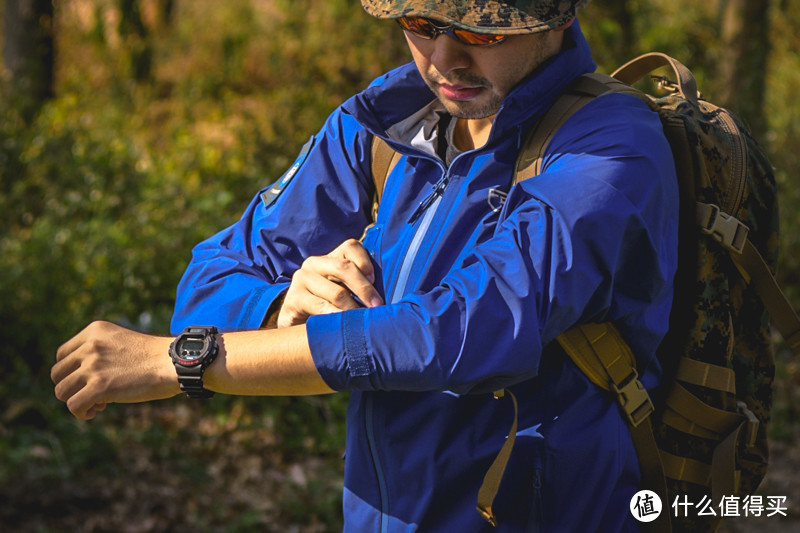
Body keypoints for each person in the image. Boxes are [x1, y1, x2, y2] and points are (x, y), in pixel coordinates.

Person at [52, 1, 680, 530]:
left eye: (480, 31)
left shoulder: (611, 149)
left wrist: (181, 361)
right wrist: (279, 308)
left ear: (553, 19)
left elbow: (461, 331)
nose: (443, 60)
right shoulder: (386, 122)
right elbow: (215, 271)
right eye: (418, 23)